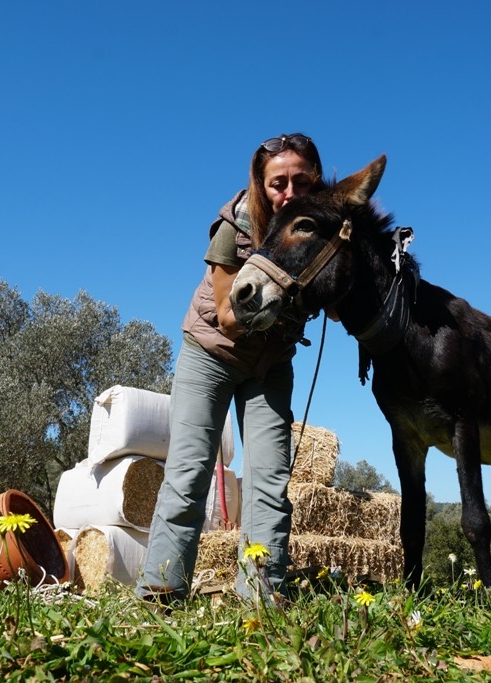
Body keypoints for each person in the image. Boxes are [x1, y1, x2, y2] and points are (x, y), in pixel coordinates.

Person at [136, 133, 325, 604]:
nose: (289, 192)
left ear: (316, 181)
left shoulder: (321, 230)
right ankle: (161, 589)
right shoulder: (234, 225)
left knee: (269, 478)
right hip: (212, 353)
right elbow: (225, 316)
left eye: (301, 181)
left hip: (271, 364)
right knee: (190, 470)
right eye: (278, 182)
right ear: (262, 185)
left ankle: (260, 594)